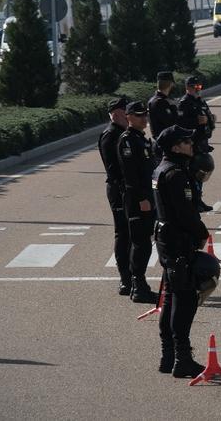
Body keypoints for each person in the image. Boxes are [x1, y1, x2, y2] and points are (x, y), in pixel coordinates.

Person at [151, 125, 210, 378]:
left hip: (166, 237)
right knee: (183, 300)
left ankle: (168, 356)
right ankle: (182, 358)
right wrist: (200, 232)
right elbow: (185, 212)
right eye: (185, 141)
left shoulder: (161, 168)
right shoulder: (176, 174)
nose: (190, 144)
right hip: (177, 240)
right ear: (175, 147)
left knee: (171, 297)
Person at [118, 101, 158, 303]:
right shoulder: (127, 141)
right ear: (129, 117)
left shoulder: (141, 140)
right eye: (140, 115)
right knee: (140, 243)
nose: (144, 119)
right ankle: (138, 286)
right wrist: (142, 198)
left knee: (145, 243)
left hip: (147, 197)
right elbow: (130, 175)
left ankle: (140, 284)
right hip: (137, 199)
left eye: (145, 115)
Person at [98, 97, 132, 296]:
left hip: (128, 190)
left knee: (131, 233)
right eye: (126, 111)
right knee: (123, 233)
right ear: (117, 114)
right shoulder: (110, 136)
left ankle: (132, 277)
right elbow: (114, 170)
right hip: (119, 191)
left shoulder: (123, 133)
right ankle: (125, 279)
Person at [176, 76, 215, 213]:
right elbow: (180, 123)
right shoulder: (184, 103)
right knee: (192, 175)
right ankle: (194, 202)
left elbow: (209, 118)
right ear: (188, 88)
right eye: (195, 87)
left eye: (199, 87)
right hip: (191, 144)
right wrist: (196, 121)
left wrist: (210, 122)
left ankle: (199, 200)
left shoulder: (201, 101)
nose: (198, 89)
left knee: (201, 173)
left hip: (203, 142)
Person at [148, 71, 179, 147]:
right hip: (165, 142)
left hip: (165, 139)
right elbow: (171, 123)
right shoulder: (159, 102)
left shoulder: (157, 100)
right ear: (170, 84)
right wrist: (173, 107)